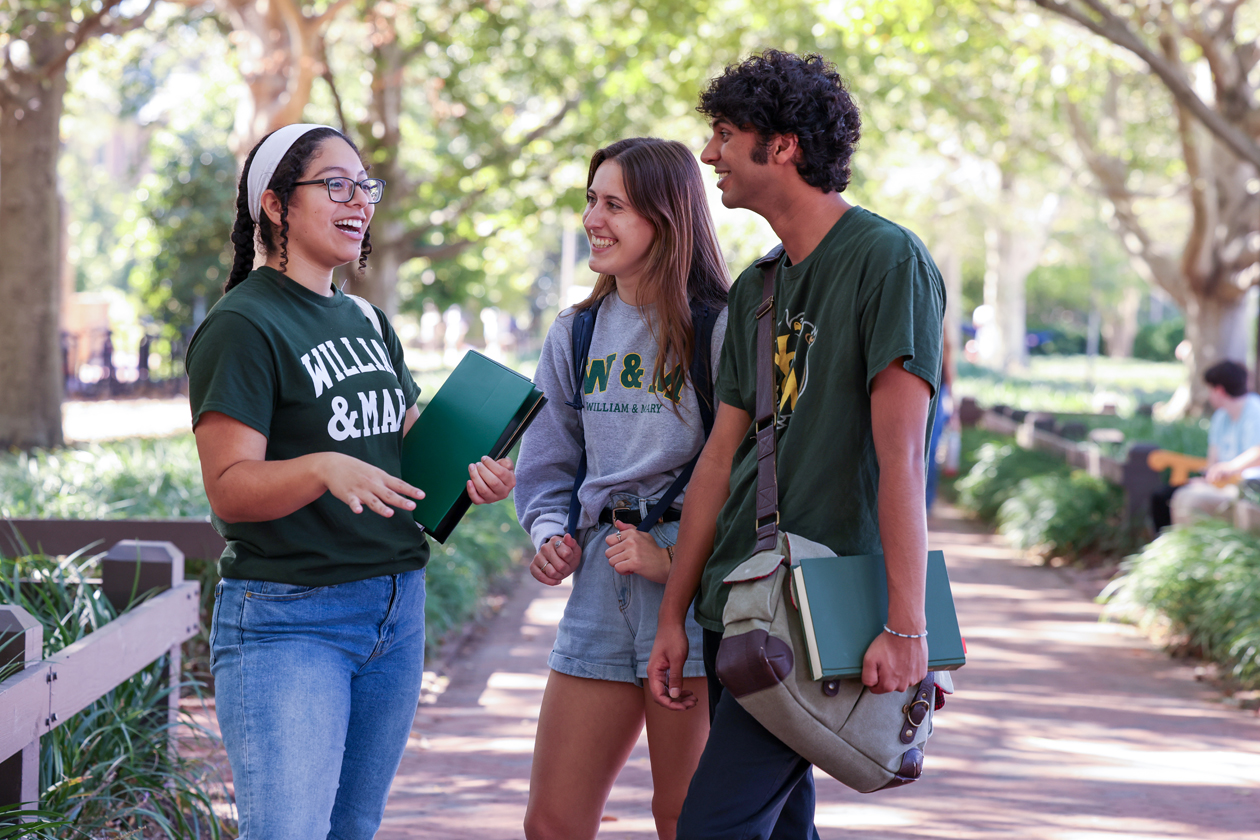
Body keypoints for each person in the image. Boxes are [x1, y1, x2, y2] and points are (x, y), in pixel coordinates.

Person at [185, 124, 516, 840]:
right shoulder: (242, 325)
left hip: (396, 606)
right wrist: (319, 470)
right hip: (290, 617)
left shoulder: (367, 318)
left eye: (365, 185)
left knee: (351, 831)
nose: (358, 200)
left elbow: (402, 442)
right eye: (336, 184)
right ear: (274, 206)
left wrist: (475, 472)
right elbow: (230, 489)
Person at [646, 51, 944, 839]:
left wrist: (906, 626)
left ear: (782, 146)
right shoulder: (758, 286)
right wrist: (675, 614)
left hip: (819, 612)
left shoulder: (888, 260)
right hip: (735, 602)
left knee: (712, 825)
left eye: (724, 134)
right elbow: (720, 461)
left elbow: (903, 459)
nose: (709, 154)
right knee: (780, 828)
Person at [514, 137, 730, 840]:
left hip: (689, 585)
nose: (592, 219)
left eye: (614, 205)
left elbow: (755, 474)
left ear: (665, 221)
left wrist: (676, 562)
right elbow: (547, 465)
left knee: (683, 819)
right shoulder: (576, 333)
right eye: (590, 201)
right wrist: (550, 533)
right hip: (601, 582)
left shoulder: (718, 328)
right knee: (552, 823)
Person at [1153, 359, 1260, 529]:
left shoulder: (1255, 411)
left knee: (1189, 500)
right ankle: (1178, 550)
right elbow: (1213, 462)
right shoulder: (1220, 417)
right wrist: (1207, 479)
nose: (1209, 395)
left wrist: (1230, 467)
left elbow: (1257, 453)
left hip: (1247, 487)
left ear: (1219, 390)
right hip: (1222, 483)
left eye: (1210, 389)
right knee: (1175, 496)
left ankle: (1192, 550)